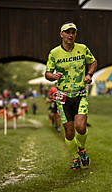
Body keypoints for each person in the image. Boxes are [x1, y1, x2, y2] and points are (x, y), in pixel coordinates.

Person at [45, 22, 97, 170]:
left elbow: (93, 62)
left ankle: (81, 148)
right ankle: (75, 158)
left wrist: (89, 74)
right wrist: (53, 76)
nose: (70, 35)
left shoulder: (82, 48)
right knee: (69, 132)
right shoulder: (54, 53)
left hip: (80, 94)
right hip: (62, 97)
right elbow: (47, 73)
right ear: (61, 34)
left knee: (80, 127)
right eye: (67, 32)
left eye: (73, 32)